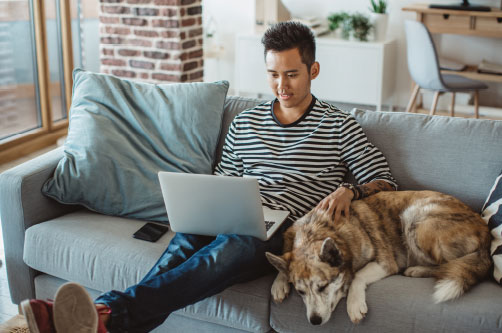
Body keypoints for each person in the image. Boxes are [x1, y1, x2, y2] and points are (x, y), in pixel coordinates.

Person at [21, 21, 397, 333]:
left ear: (313, 71)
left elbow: (385, 180)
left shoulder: (339, 125)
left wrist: (351, 189)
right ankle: (103, 320)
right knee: (181, 250)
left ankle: (103, 312)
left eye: (292, 74)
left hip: (286, 233)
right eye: (273, 75)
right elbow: (222, 182)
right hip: (237, 214)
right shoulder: (246, 122)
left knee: (222, 253)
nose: (282, 86)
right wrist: (207, 205)